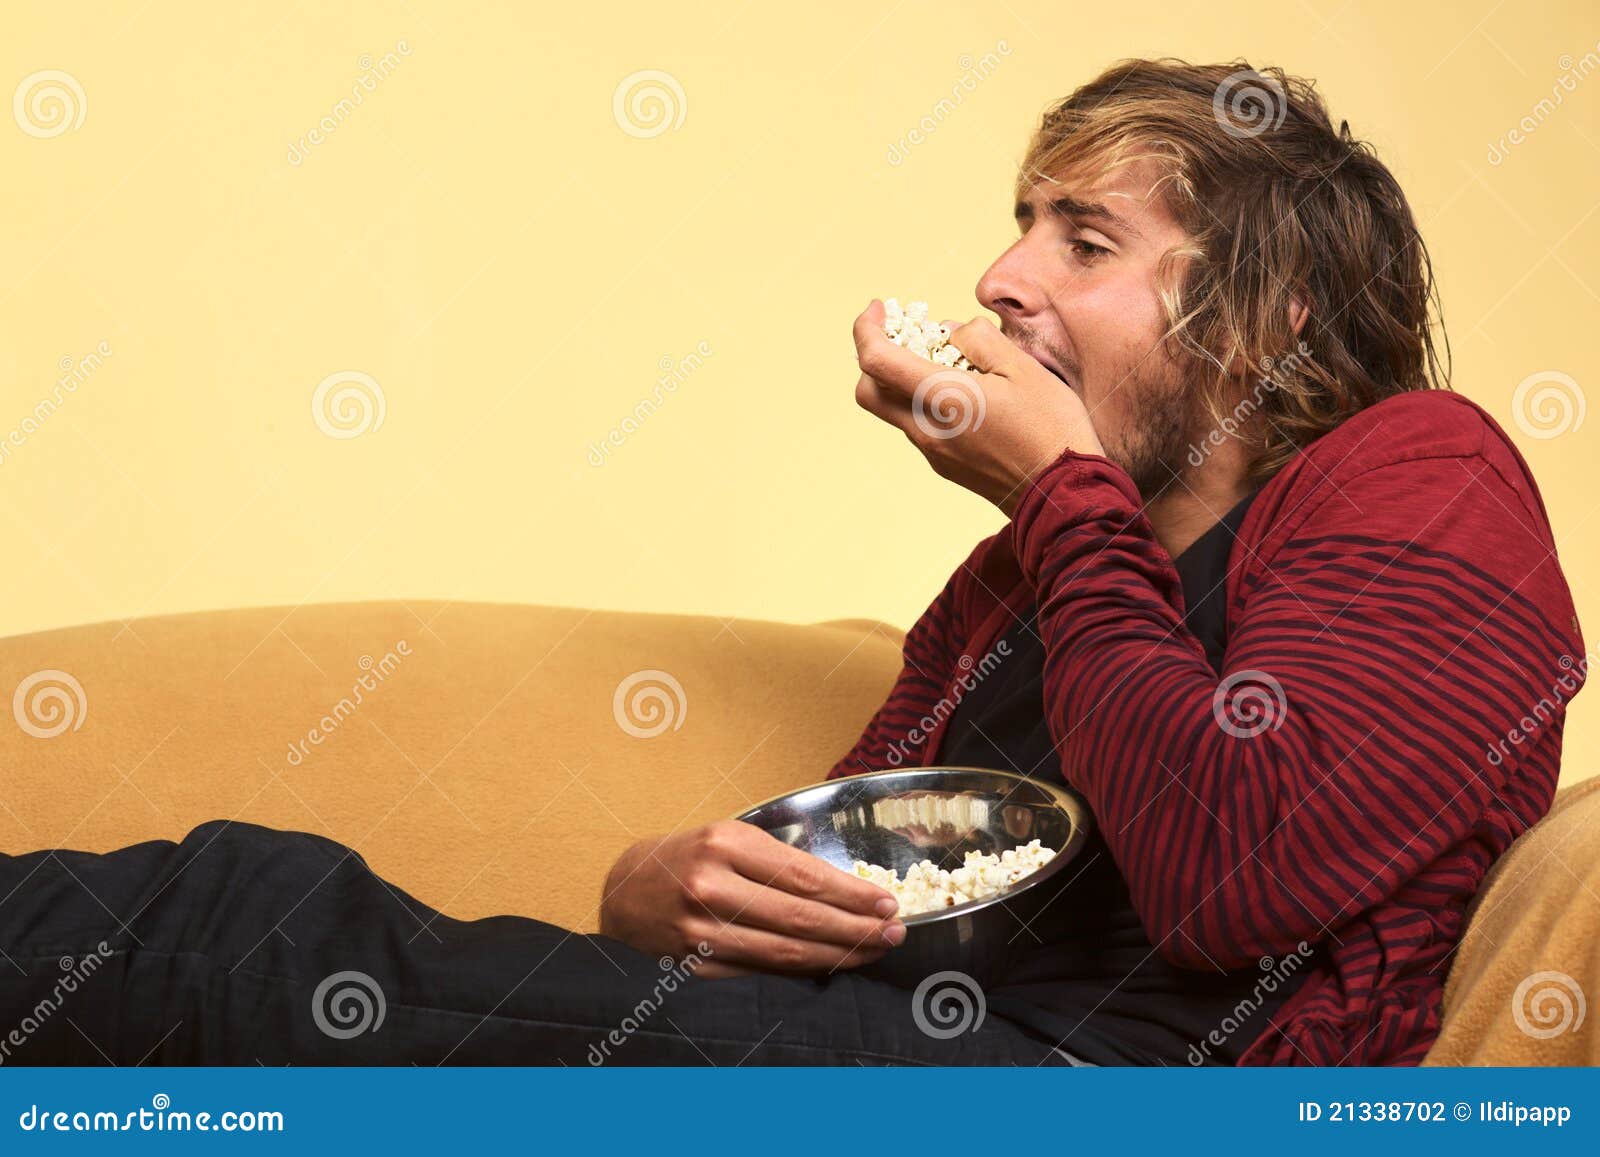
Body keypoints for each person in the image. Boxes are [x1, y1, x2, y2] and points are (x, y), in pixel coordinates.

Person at [0, 58, 1581, 1066]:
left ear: (1266, 314)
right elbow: (849, 877)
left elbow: (1236, 866)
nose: (1001, 277)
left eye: (1084, 241)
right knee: (238, 919)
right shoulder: (1012, 587)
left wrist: (1059, 491)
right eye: (1019, 223)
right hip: (885, 1047)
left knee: (239, 926)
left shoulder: (1420, 472)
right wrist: (651, 898)